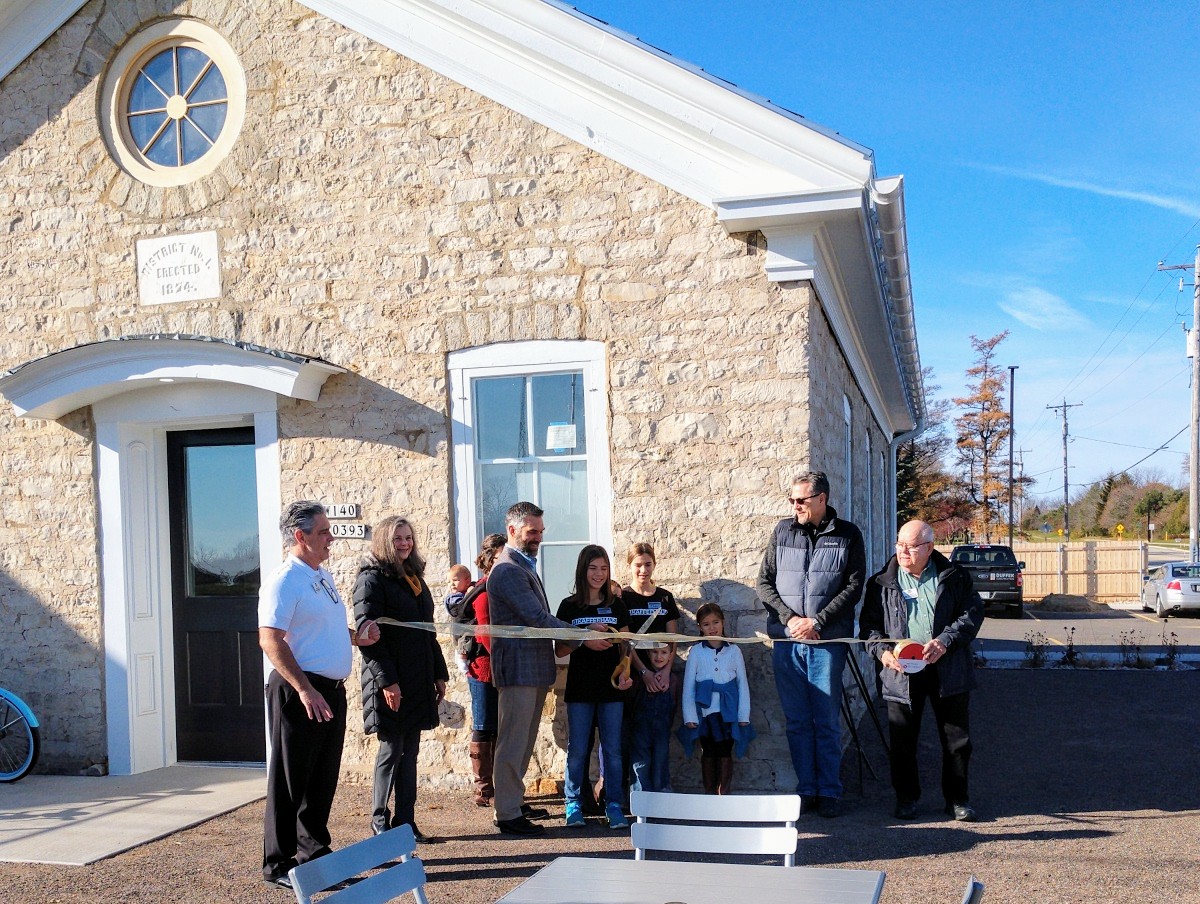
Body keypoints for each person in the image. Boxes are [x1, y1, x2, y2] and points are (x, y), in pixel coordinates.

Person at [258, 501, 381, 890]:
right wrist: (305, 690)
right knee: (290, 779)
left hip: (329, 690)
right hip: (299, 691)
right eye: (324, 532)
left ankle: (313, 856)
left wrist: (355, 638)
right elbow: (270, 640)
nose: (331, 538)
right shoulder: (284, 580)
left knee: (321, 779)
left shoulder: (321, 575)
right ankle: (278, 865)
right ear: (301, 536)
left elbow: (321, 630)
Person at [486, 501, 612, 836]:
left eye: (541, 531)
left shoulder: (522, 564)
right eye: (532, 532)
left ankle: (513, 802)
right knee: (513, 742)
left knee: (522, 740)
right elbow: (538, 620)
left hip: (530, 670)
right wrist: (584, 635)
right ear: (512, 529)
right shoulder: (508, 569)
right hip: (518, 671)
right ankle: (507, 813)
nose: (538, 537)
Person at [756, 470, 865, 818]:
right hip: (787, 642)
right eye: (791, 499)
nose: (794, 506)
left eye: (800, 500)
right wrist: (790, 620)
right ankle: (807, 789)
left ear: (822, 499)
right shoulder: (782, 531)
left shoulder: (848, 535)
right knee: (798, 721)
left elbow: (854, 587)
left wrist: (817, 622)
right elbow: (764, 583)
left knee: (826, 720)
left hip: (826, 642)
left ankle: (830, 790)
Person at [859, 519, 984, 822]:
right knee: (903, 741)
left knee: (956, 740)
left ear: (929, 547)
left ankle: (957, 800)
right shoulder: (880, 582)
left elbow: (971, 615)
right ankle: (906, 799)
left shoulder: (955, 577)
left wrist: (945, 641)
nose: (903, 552)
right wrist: (881, 652)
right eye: (900, 545)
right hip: (901, 672)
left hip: (947, 668)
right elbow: (869, 629)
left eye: (912, 546)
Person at [352, 516, 448, 843]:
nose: (405, 544)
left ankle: (405, 824)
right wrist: (387, 682)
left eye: (408, 537)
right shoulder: (371, 580)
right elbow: (369, 638)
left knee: (411, 753)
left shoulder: (414, 577)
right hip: (390, 681)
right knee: (391, 752)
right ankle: (380, 824)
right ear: (385, 542)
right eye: (398, 539)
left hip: (418, 680)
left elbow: (427, 631)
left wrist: (438, 674)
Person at [555, 545, 634, 828]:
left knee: (612, 750)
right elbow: (560, 650)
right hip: (580, 688)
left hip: (612, 689)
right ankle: (573, 804)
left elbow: (627, 644)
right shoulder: (568, 606)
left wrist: (626, 672)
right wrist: (584, 638)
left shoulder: (618, 605)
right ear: (582, 570)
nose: (599, 574)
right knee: (577, 749)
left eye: (603, 568)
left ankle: (613, 805)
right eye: (593, 568)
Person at [680, 602, 751, 794]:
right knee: (709, 749)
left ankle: (723, 792)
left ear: (723, 622)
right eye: (706, 624)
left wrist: (743, 715)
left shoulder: (734, 651)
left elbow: (742, 684)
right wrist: (690, 716)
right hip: (705, 711)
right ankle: (709, 793)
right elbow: (689, 686)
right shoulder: (696, 652)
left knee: (725, 749)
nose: (712, 628)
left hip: (728, 711)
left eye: (715, 622)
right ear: (700, 628)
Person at [461, 533, 507, 807]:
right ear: (490, 560)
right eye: (500, 556)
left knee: (499, 728)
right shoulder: (484, 591)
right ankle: (483, 789)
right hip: (483, 670)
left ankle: (500, 786)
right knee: (482, 725)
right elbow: (486, 633)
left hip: (499, 668)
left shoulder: (500, 588)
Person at [627, 642, 679, 793]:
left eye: (663, 652)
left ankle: (661, 795)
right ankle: (640, 797)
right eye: (654, 652)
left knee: (660, 760)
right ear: (648, 654)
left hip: (662, 728)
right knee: (640, 761)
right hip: (640, 727)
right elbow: (632, 701)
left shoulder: (673, 680)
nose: (659, 656)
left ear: (670, 656)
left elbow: (675, 703)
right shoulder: (639, 679)